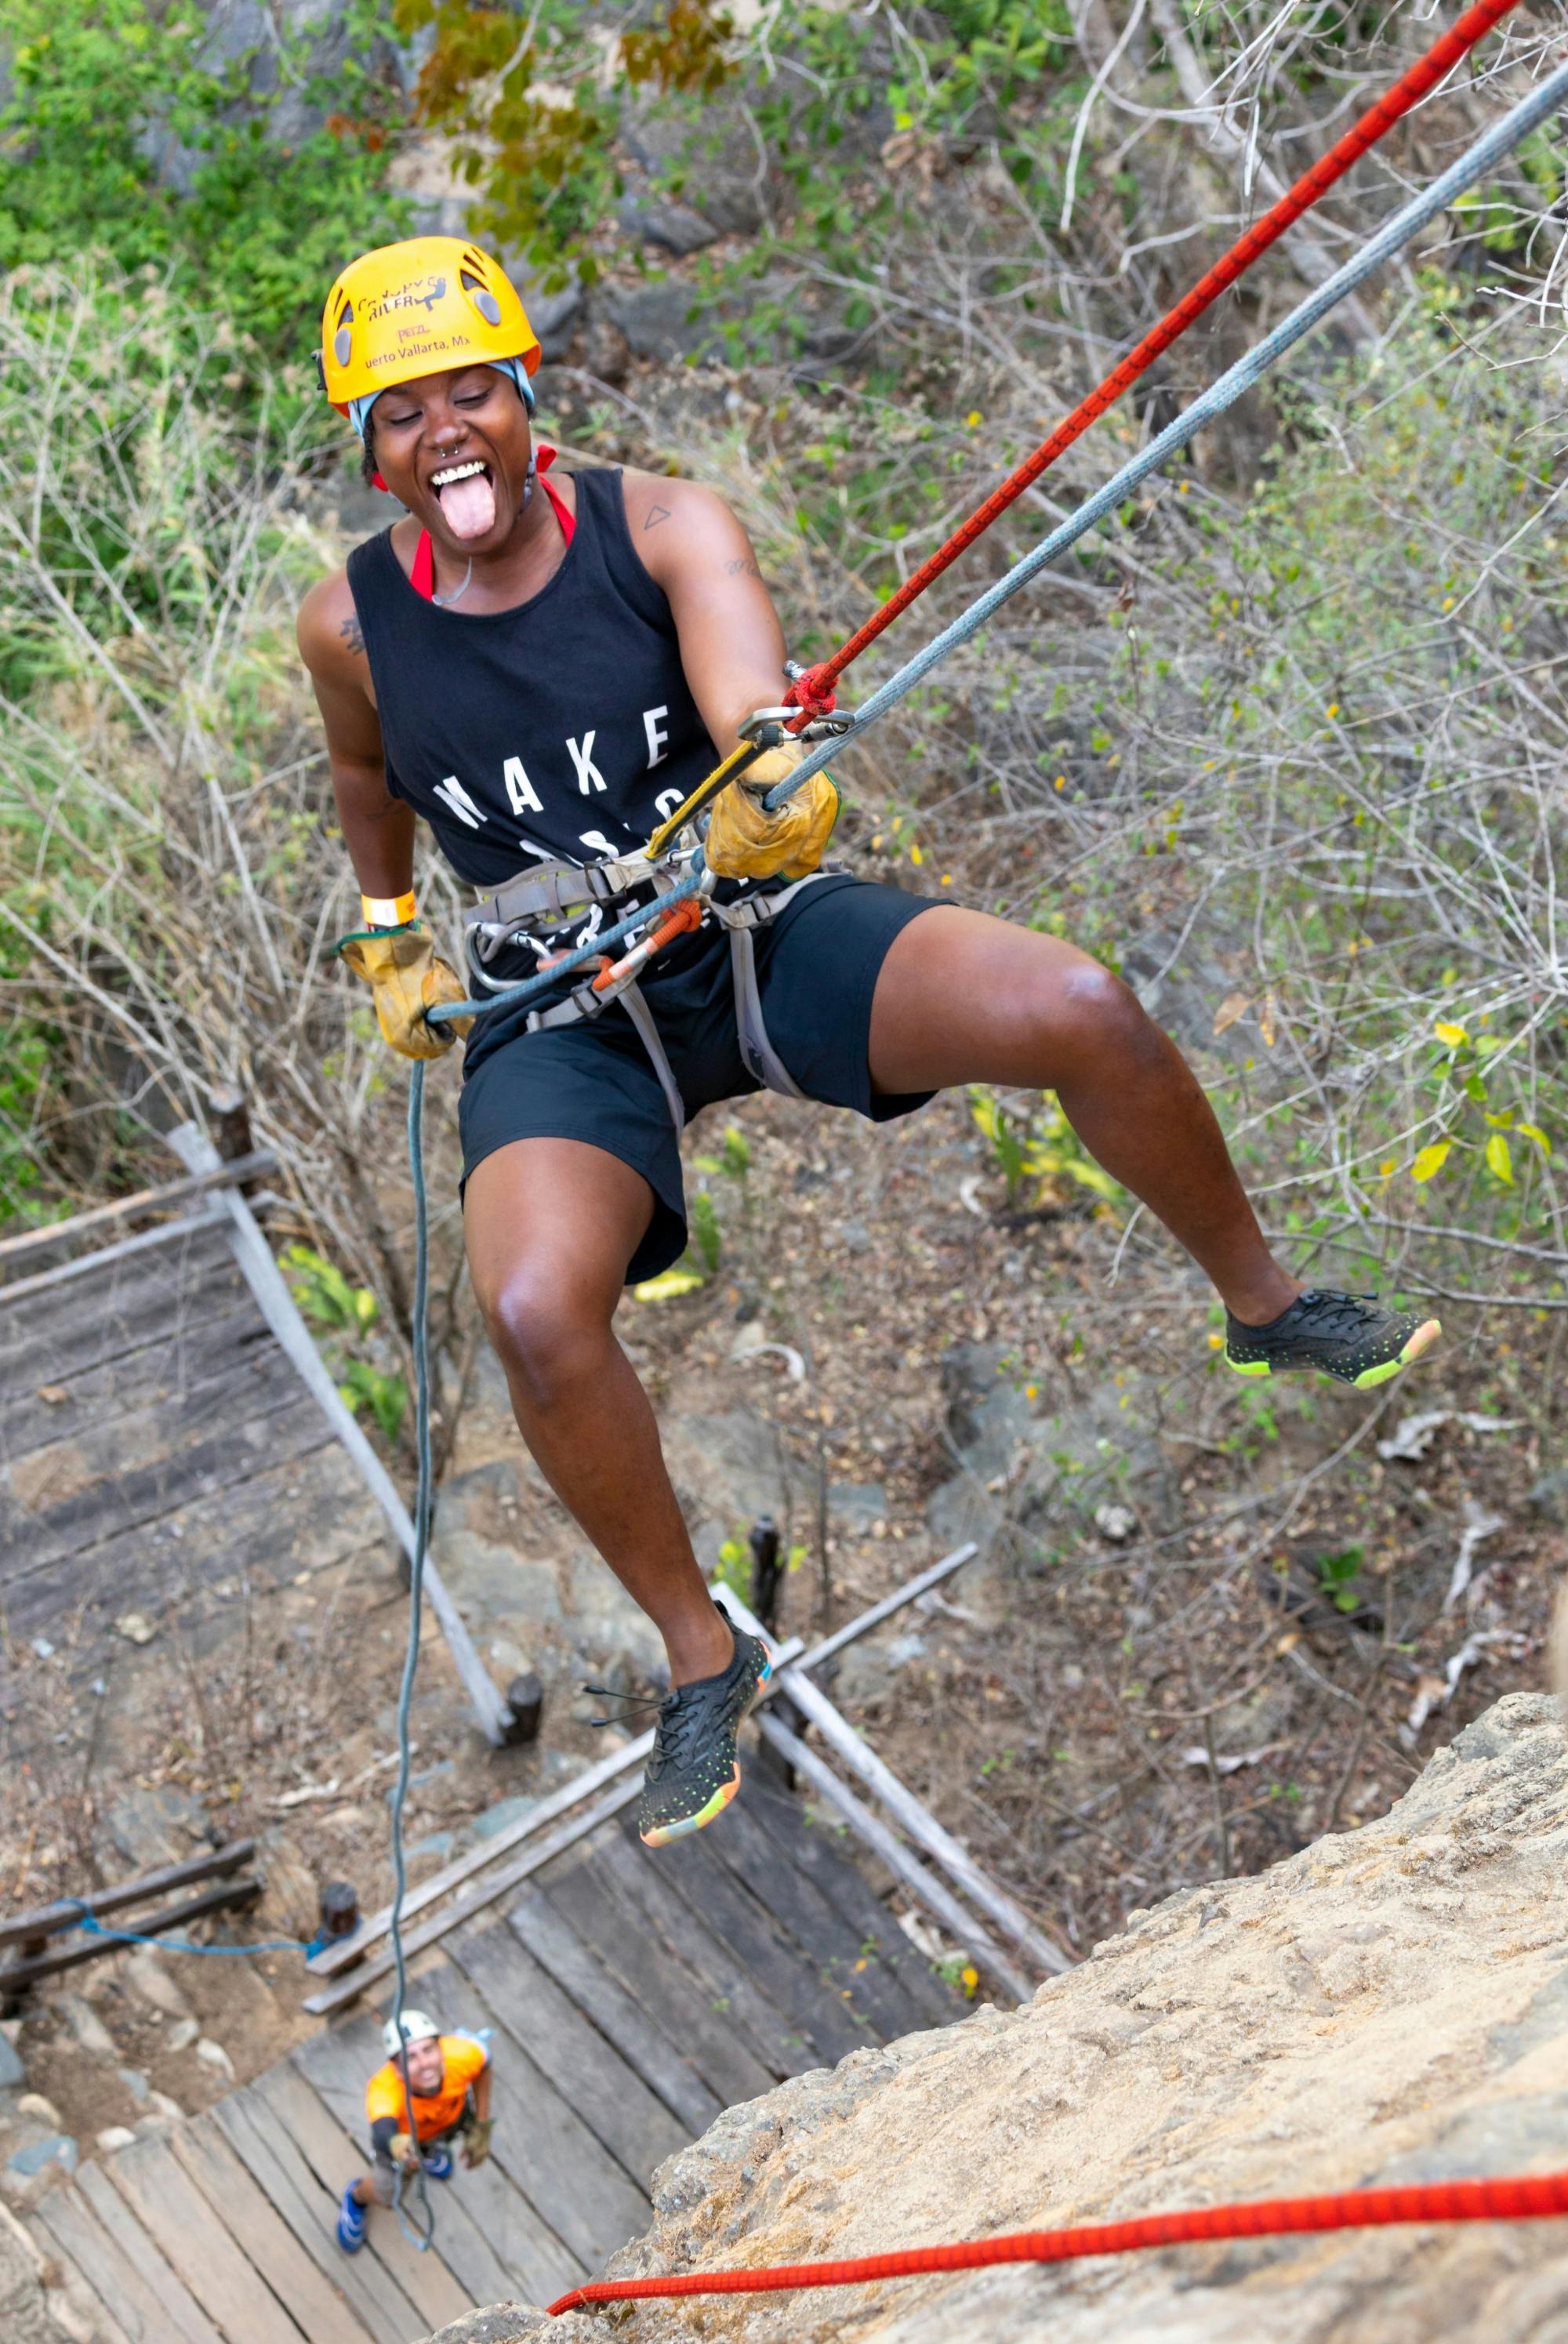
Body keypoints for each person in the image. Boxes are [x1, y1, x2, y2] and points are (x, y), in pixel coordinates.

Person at [299, 238, 1439, 1853]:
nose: (446, 436)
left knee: (1075, 1007)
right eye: (401, 414)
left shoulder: (662, 525)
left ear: (525, 397)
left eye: (471, 391)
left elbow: (739, 673)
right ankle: (707, 1659)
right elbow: (367, 776)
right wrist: (384, 927)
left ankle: (1266, 1306)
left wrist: (764, 771)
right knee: (533, 1308)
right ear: (369, 447)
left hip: (744, 933)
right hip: (563, 1003)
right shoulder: (349, 625)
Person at [336, 2008, 492, 2252]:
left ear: (441, 2049)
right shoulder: (384, 2089)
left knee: (440, 2140)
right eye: (411, 2058)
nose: (424, 2064)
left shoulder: (463, 2055)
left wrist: (482, 2123)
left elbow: (484, 2064)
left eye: (428, 2050)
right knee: (387, 2194)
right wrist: (396, 2144)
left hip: (444, 2125)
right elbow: (382, 2129)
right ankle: (356, 2196)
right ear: (397, 2069)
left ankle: (429, 2154)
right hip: (400, 2147)